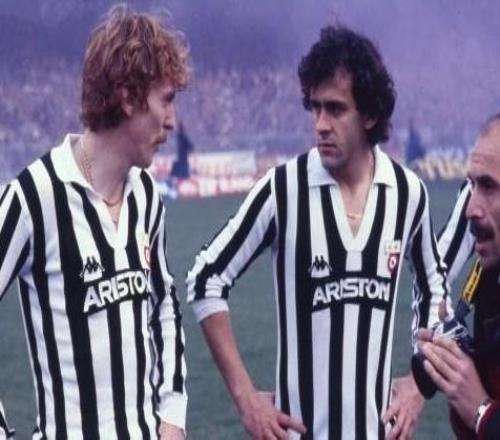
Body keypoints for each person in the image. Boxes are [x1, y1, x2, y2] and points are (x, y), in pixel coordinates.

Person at [186, 26, 448, 439]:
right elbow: (206, 278)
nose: (321, 124)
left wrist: (420, 382)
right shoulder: (284, 189)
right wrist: (245, 398)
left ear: (370, 114)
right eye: (315, 108)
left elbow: (434, 283)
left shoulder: (406, 193)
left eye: (336, 109)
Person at [0, 5, 190, 439]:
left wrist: (172, 415)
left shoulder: (146, 195)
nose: (172, 121)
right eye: (166, 100)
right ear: (128, 97)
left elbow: (164, 303)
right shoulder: (34, 196)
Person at [418, 113, 500, 439]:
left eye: (489, 187)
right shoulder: (489, 281)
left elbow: (482, 415)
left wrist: (481, 410)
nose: (470, 209)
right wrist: (461, 366)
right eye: (471, 185)